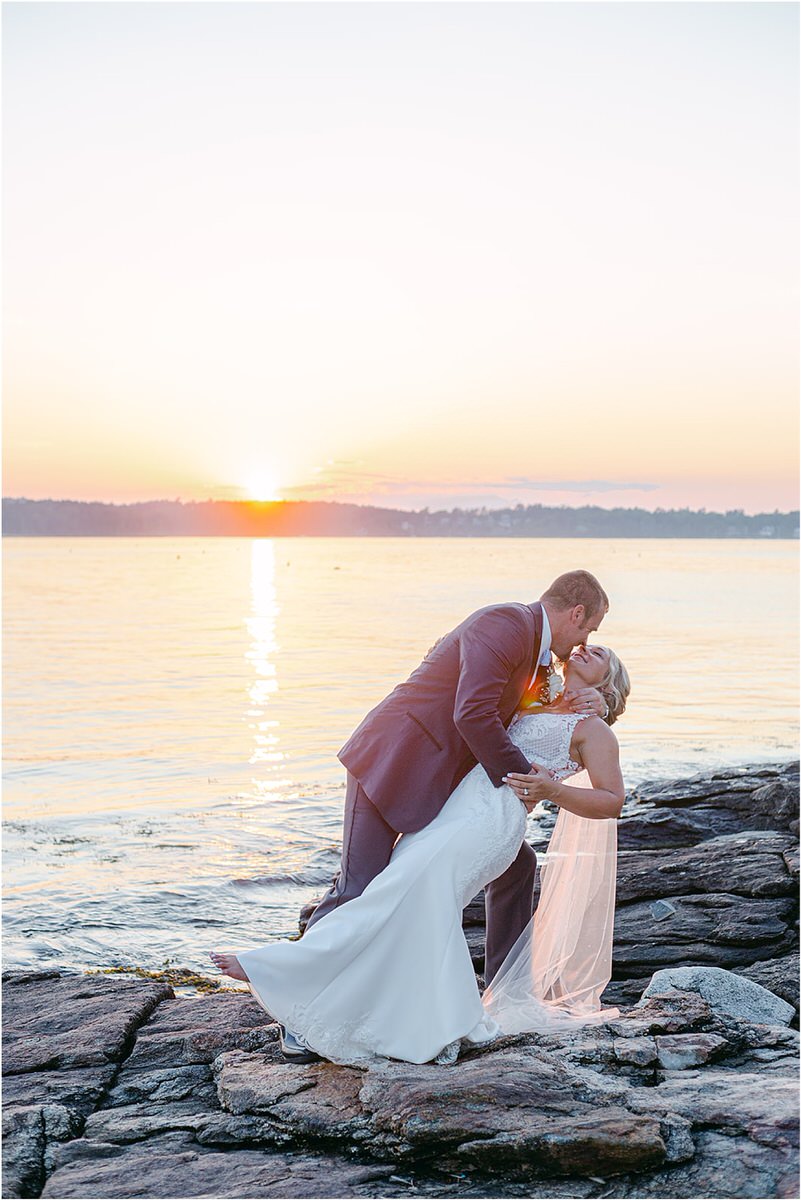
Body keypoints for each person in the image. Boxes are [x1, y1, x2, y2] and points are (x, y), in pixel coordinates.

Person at [210, 640, 631, 1067]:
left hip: (493, 819)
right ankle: (422, 1014)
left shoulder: (594, 730)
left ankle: (282, 967)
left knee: (400, 890)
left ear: (608, 683)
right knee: (413, 902)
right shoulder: (536, 691)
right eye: (584, 644)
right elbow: (476, 694)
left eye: (599, 654)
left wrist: (551, 790)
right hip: (452, 805)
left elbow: (613, 800)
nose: (585, 647)